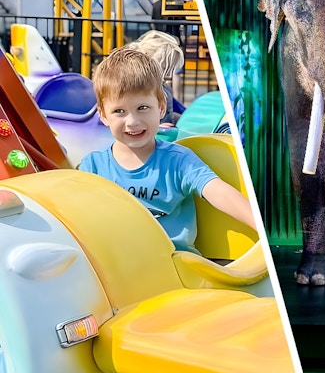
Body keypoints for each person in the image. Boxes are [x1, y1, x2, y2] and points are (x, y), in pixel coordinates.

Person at [79, 47, 257, 254]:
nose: (133, 122)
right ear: (102, 115)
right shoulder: (92, 166)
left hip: (174, 263)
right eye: (119, 111)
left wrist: (256, 223)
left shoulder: (179, 161)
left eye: (142, 108)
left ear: (161, 107)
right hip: (118, 265)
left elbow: (218, 192)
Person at [127, 30, 184, 123]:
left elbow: (170, 114)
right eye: (164, 67)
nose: (169, 74)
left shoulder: (164, 86)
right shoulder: (144, 91)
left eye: (171, 68)